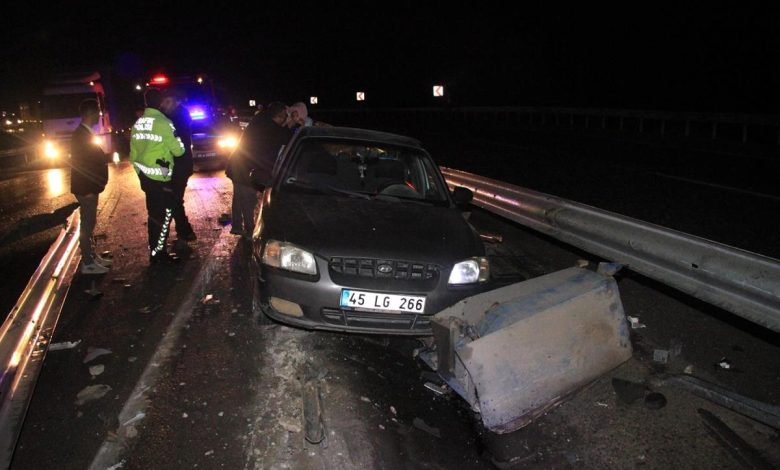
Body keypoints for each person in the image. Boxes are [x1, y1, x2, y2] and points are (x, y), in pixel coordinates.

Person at [130, 88, 186, 263]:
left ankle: (154, 251)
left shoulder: (138, 123)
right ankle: (159, 254)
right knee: (164, 215)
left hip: (145, 178)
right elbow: (179, 151)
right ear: (161, 102)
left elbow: (132, 154)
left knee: (153, 216)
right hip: (161, 179)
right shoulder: (164, 123)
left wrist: (141, 173)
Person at [227, 101, 291, 239]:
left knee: (239, 197)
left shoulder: (260, 120)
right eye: (285, 117)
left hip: (237, 165)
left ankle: (237, 226)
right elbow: (287, 138)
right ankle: (250, 231)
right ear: (279, 117)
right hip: (247, 169)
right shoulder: (273, 129)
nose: (286, 119)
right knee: (248, 200)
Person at [70, 99, 111, 274]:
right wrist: (87, 189)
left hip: (89, 187)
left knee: (90, 223)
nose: (98, 116)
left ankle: (92, 256)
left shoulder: (84, 133)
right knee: (87, 225)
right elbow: (82, 166)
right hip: (86, 188)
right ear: (90, 114)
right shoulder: (81, 136)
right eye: (97, 113)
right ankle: (87, 263)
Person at [160, 88, 196, 241]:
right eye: (163, 102)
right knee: (174, 199)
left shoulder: (177, 118)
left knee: (174, 199)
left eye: (168, 101)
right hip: (179, 165)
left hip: (180, 165)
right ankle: (184, 231)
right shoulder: (175, 116)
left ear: (176, 102)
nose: (164, 105)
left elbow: (174, 144)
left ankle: (185, 231)